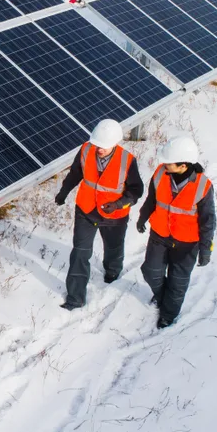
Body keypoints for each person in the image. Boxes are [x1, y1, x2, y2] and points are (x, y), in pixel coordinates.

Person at [55, 119, 144, 310]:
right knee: (80, 252)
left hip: (114, 216)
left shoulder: (127, 161)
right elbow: (75, 174)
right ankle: (75, 299)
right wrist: (64, 192)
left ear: (115, 143)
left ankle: (112, 271)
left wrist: (119, 203)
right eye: (97, 144)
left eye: (103, 146)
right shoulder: (86, 149)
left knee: (113, 247)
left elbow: (137, 191)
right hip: (86, 210)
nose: (99, 149)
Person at [136, 135, 216, 329]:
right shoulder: (160, 174)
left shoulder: (203, 186)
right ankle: (163, 296)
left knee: (177, 282)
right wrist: (142, 217)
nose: (164, 164)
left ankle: (168, 314)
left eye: (169, 163)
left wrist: (206, 249)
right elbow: (151, 200)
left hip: (186, 244)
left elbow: (208, 221)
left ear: (183, 166)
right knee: (150, 271)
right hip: (160, 235)